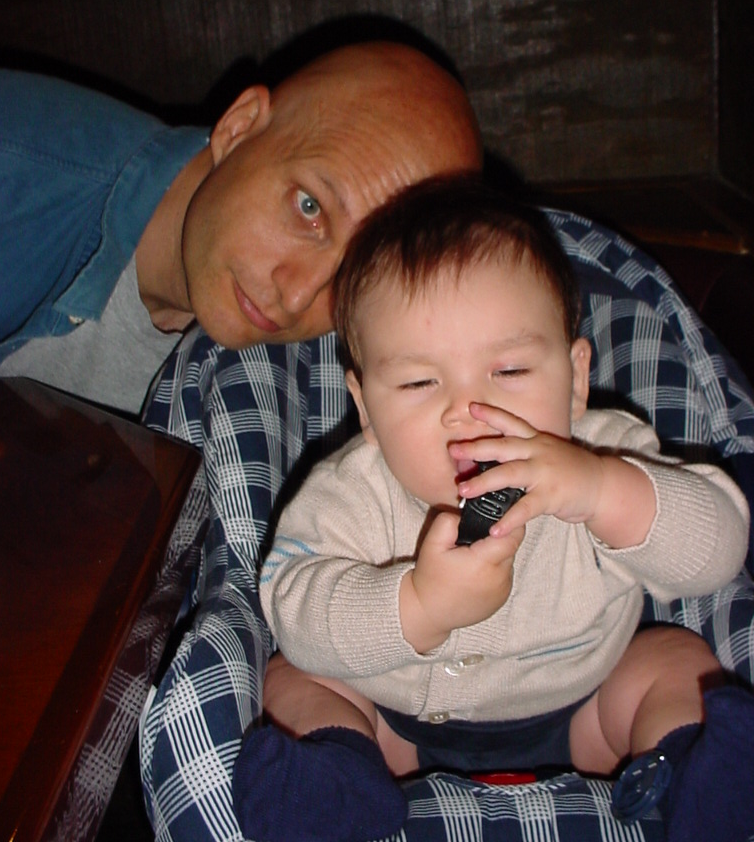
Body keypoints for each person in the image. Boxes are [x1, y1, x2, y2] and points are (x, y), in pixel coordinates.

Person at [240, 175, 754, 842]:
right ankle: (336, 786)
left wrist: (603, 493)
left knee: (678, 662)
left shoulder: (606, 454)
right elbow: (292, 608)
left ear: (574, 380)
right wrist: (417, 605)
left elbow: (718, 553)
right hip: (392, 729)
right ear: (366, 409)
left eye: (509, 371)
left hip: (586, 710)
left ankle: (689, 770)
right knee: (292, 680)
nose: (467, 410)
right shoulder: (350, 493)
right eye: (419, 382)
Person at [0, 40, 482, 413]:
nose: (298, 295)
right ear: (238, 128)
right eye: (309, 207)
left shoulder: (352, 368)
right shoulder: (4, 161)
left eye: (357, 271)